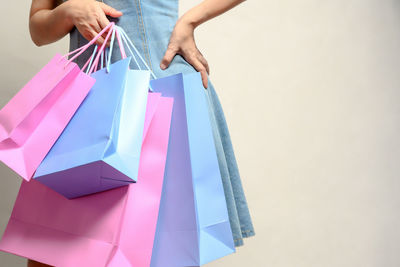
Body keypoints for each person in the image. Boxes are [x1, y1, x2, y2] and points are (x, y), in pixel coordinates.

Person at [28, 0, 255, 266]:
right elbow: (38, 28)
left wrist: (190, 21)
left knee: (155, 254)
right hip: (86, 103)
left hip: (159, 92)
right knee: (52, 250)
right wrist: (68, 11)